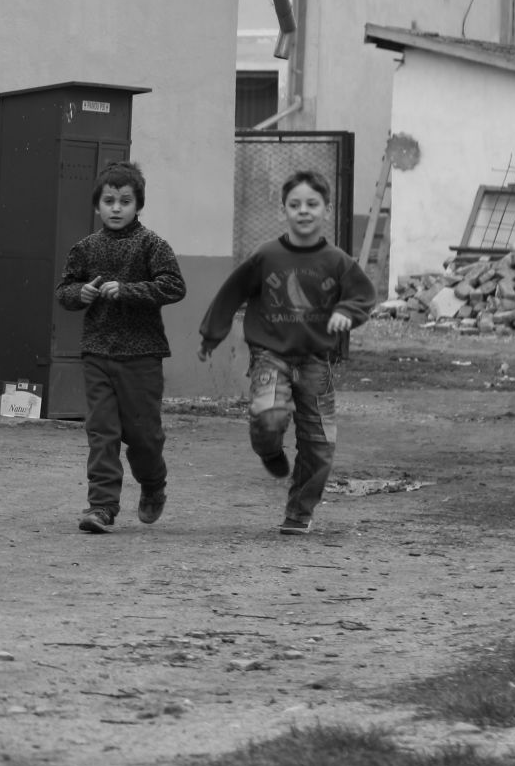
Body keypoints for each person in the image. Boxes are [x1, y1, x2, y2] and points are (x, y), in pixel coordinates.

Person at [198, 169, 376, 536]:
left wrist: (346, 313)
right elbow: (232, 292)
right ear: (284, 210)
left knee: (320, 445)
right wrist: (211, 336)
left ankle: (299, 512)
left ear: (326, 209)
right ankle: (269, 450)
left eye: (312, 204)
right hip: (270, 355)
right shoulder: (267, 256)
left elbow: (362, 295)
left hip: (316, 362)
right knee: (268, 417)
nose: (304, 211)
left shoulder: (337, 261)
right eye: (295, 204)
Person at [56, 161, 187, 534]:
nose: (116, 208)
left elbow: (174, 287)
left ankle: (153, 483)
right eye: (109, 200)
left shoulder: (152, 245)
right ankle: (102, 506)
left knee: (144, 437)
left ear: (138, 206)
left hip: (142, 356)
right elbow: (64, 290)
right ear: (97, 205)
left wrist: (128, 290)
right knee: (102, 432)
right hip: (97, 353)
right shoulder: (84, 249)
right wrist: (78, 294)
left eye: (125, 201)